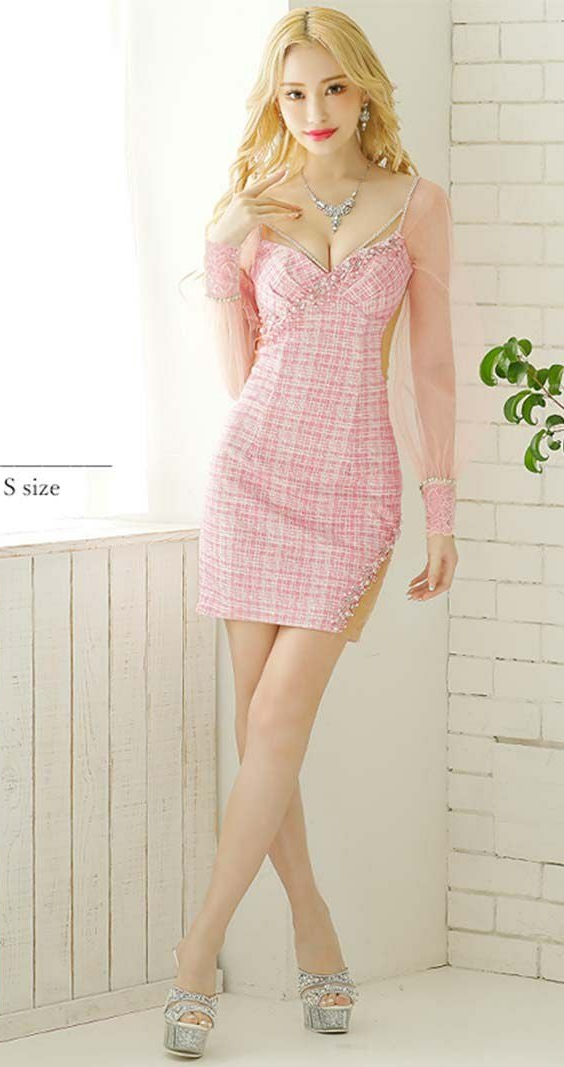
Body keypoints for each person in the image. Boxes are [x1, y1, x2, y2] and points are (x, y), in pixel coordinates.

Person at [165, 6, 483, 1057]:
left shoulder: (417, 203)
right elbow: (239, 374)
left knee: (275, 720)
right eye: (294, 91)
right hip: (253, 477)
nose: (313, 110)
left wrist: (441, 506)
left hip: (354, 494)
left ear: (364, 90)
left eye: (332, 88)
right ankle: (315, 932)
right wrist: (219, 254)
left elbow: (431, 366)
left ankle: (196, 951)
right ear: (276, 97)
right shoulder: (254, 205)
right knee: (265, 733)